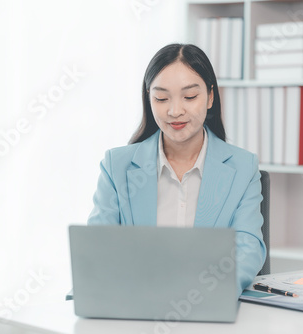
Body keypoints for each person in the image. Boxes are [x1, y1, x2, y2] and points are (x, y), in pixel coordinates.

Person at [87, 43, 266, 297]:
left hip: (208, 305)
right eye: (161, 98)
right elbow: (98, 248)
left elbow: (247, 248)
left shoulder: (243, 167)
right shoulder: (117, 166)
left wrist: (203, 293)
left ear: (210, 97)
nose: (175, 111)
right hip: (134, 307)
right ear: (149, 99)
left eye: (190, 97)